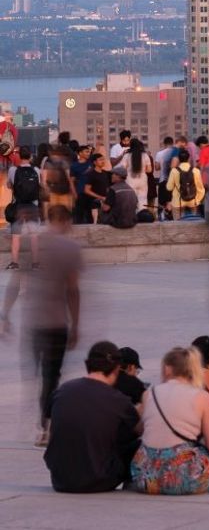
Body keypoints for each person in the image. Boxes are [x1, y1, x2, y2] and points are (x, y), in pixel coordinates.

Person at [1, 205, 81, 446]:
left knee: (36, 374)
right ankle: (45, 426)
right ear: (66, 221)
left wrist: (5, 315)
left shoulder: (35, 245)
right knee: (51, 377)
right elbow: (73, 291)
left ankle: (41, 421)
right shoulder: (70, 248)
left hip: (34, 323)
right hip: (57, 323)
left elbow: (15, 283)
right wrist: (76, 325)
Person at [129, 347, 209, 494]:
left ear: (167, 369)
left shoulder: (149, 393)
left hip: (145, 479)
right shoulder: (201, 397)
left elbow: (139, 429)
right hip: (182, 479)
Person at [43, 341, 140, 493]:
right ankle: (133, 483)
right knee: (138, 441)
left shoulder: (63, 390)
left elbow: (49, 416)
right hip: (98, 480)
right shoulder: (118, 400)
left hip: (60, 480)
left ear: (87, 364)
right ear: (116, 369)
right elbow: (139, 429)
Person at [166, 150, 204, 219]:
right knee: (194, 221)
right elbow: (200, 188)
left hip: (178, 202)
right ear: (188, 158)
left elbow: (169, 188)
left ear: (179, 159)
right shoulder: (196, 171)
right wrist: (197, 200)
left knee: (177, 223)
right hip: (193, 200)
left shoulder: (174, 171)